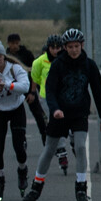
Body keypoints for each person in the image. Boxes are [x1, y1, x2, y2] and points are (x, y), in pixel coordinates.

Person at [21, 28, 101, 201]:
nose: (74, 50)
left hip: (79, 113)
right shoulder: (58, 65)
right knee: (49, 149)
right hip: (59, 113)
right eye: (70, 47)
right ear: (65, 47)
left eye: (77, 46)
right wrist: (55, 109)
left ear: (82, 46)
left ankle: (81, 186)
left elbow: (99, 92)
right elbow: (50, 90)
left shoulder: (89, 65)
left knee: (79, 147)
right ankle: (36, 186)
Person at [0, 39, 31, 201]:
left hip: (16, 109)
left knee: (19, 147)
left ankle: (22, 170)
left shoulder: (14, 69)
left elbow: (25, 86)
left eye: (0, 56)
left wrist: (7, 85)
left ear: (4, 55)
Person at [31, 35, 70, 174]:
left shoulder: (67, 60)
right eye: (52, 47)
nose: (55, 50)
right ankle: (62, 152)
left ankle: (71, 140)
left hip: (64, 97)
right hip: (47, 98)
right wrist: (32, 93)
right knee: (56, 122)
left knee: (68, 122)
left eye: (57, 47)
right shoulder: (40, 62)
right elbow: (35, 79)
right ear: (48, 47)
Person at [6, 33, 48, 142]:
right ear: (8, 44)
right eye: (12, 43)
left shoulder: (27, 54)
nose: (14, 46)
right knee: (15, 114)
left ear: (19, 43)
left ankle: (45, 134)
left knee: (37, 112)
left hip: (28, 85)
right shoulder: (5, 55)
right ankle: (20, 138)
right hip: (13, 88)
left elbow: (34, 73)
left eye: (16, 43)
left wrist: (33, 92)